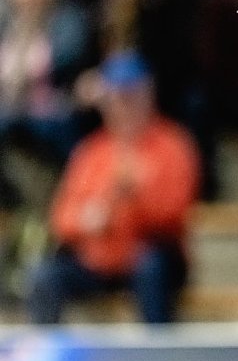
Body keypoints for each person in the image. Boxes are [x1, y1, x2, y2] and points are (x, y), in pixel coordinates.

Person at [26, 51, 202, 324]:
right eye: (116, 98)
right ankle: (46, 358)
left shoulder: (173, 144)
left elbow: (175, 213)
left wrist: (135, 199)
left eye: (130, 96)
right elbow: (61, 216)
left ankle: (156, 357)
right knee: (44, 275)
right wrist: (85, 221)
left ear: (148, 96)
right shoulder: (92, 150)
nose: (123, 106)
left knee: (151, 267)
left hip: (147, 257)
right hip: (97, 259)